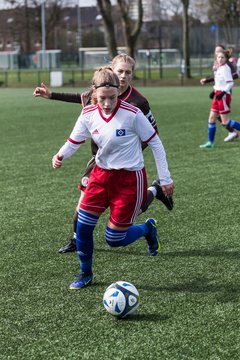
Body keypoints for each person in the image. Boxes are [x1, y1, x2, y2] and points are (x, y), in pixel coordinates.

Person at [34, 54, 173, 254]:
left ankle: (153, 192)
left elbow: (153, 134)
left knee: (134, 210)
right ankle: (77, 240)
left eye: (128, 72)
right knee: (84, 203)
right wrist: (52, 95)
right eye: (120, 71)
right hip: (99, 162)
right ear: (111, 72)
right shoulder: (100, 90)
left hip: (127, 165)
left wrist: (127, 152)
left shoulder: (138, 102)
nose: (123, 76)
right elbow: (80, 99)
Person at [200, 50, 240, 148]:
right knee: (212, 118)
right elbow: (219, 82)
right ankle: (210, 142)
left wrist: (222, 93)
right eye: (218, 57)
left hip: (224, 96)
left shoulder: (225, 69)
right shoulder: (219, 68)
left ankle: (211, 141)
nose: (220, 59)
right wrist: (214, 91)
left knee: (225, 122)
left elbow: (230, 83)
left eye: (222, 57)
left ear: (226, 59)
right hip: (218, 95)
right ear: (216, 58)